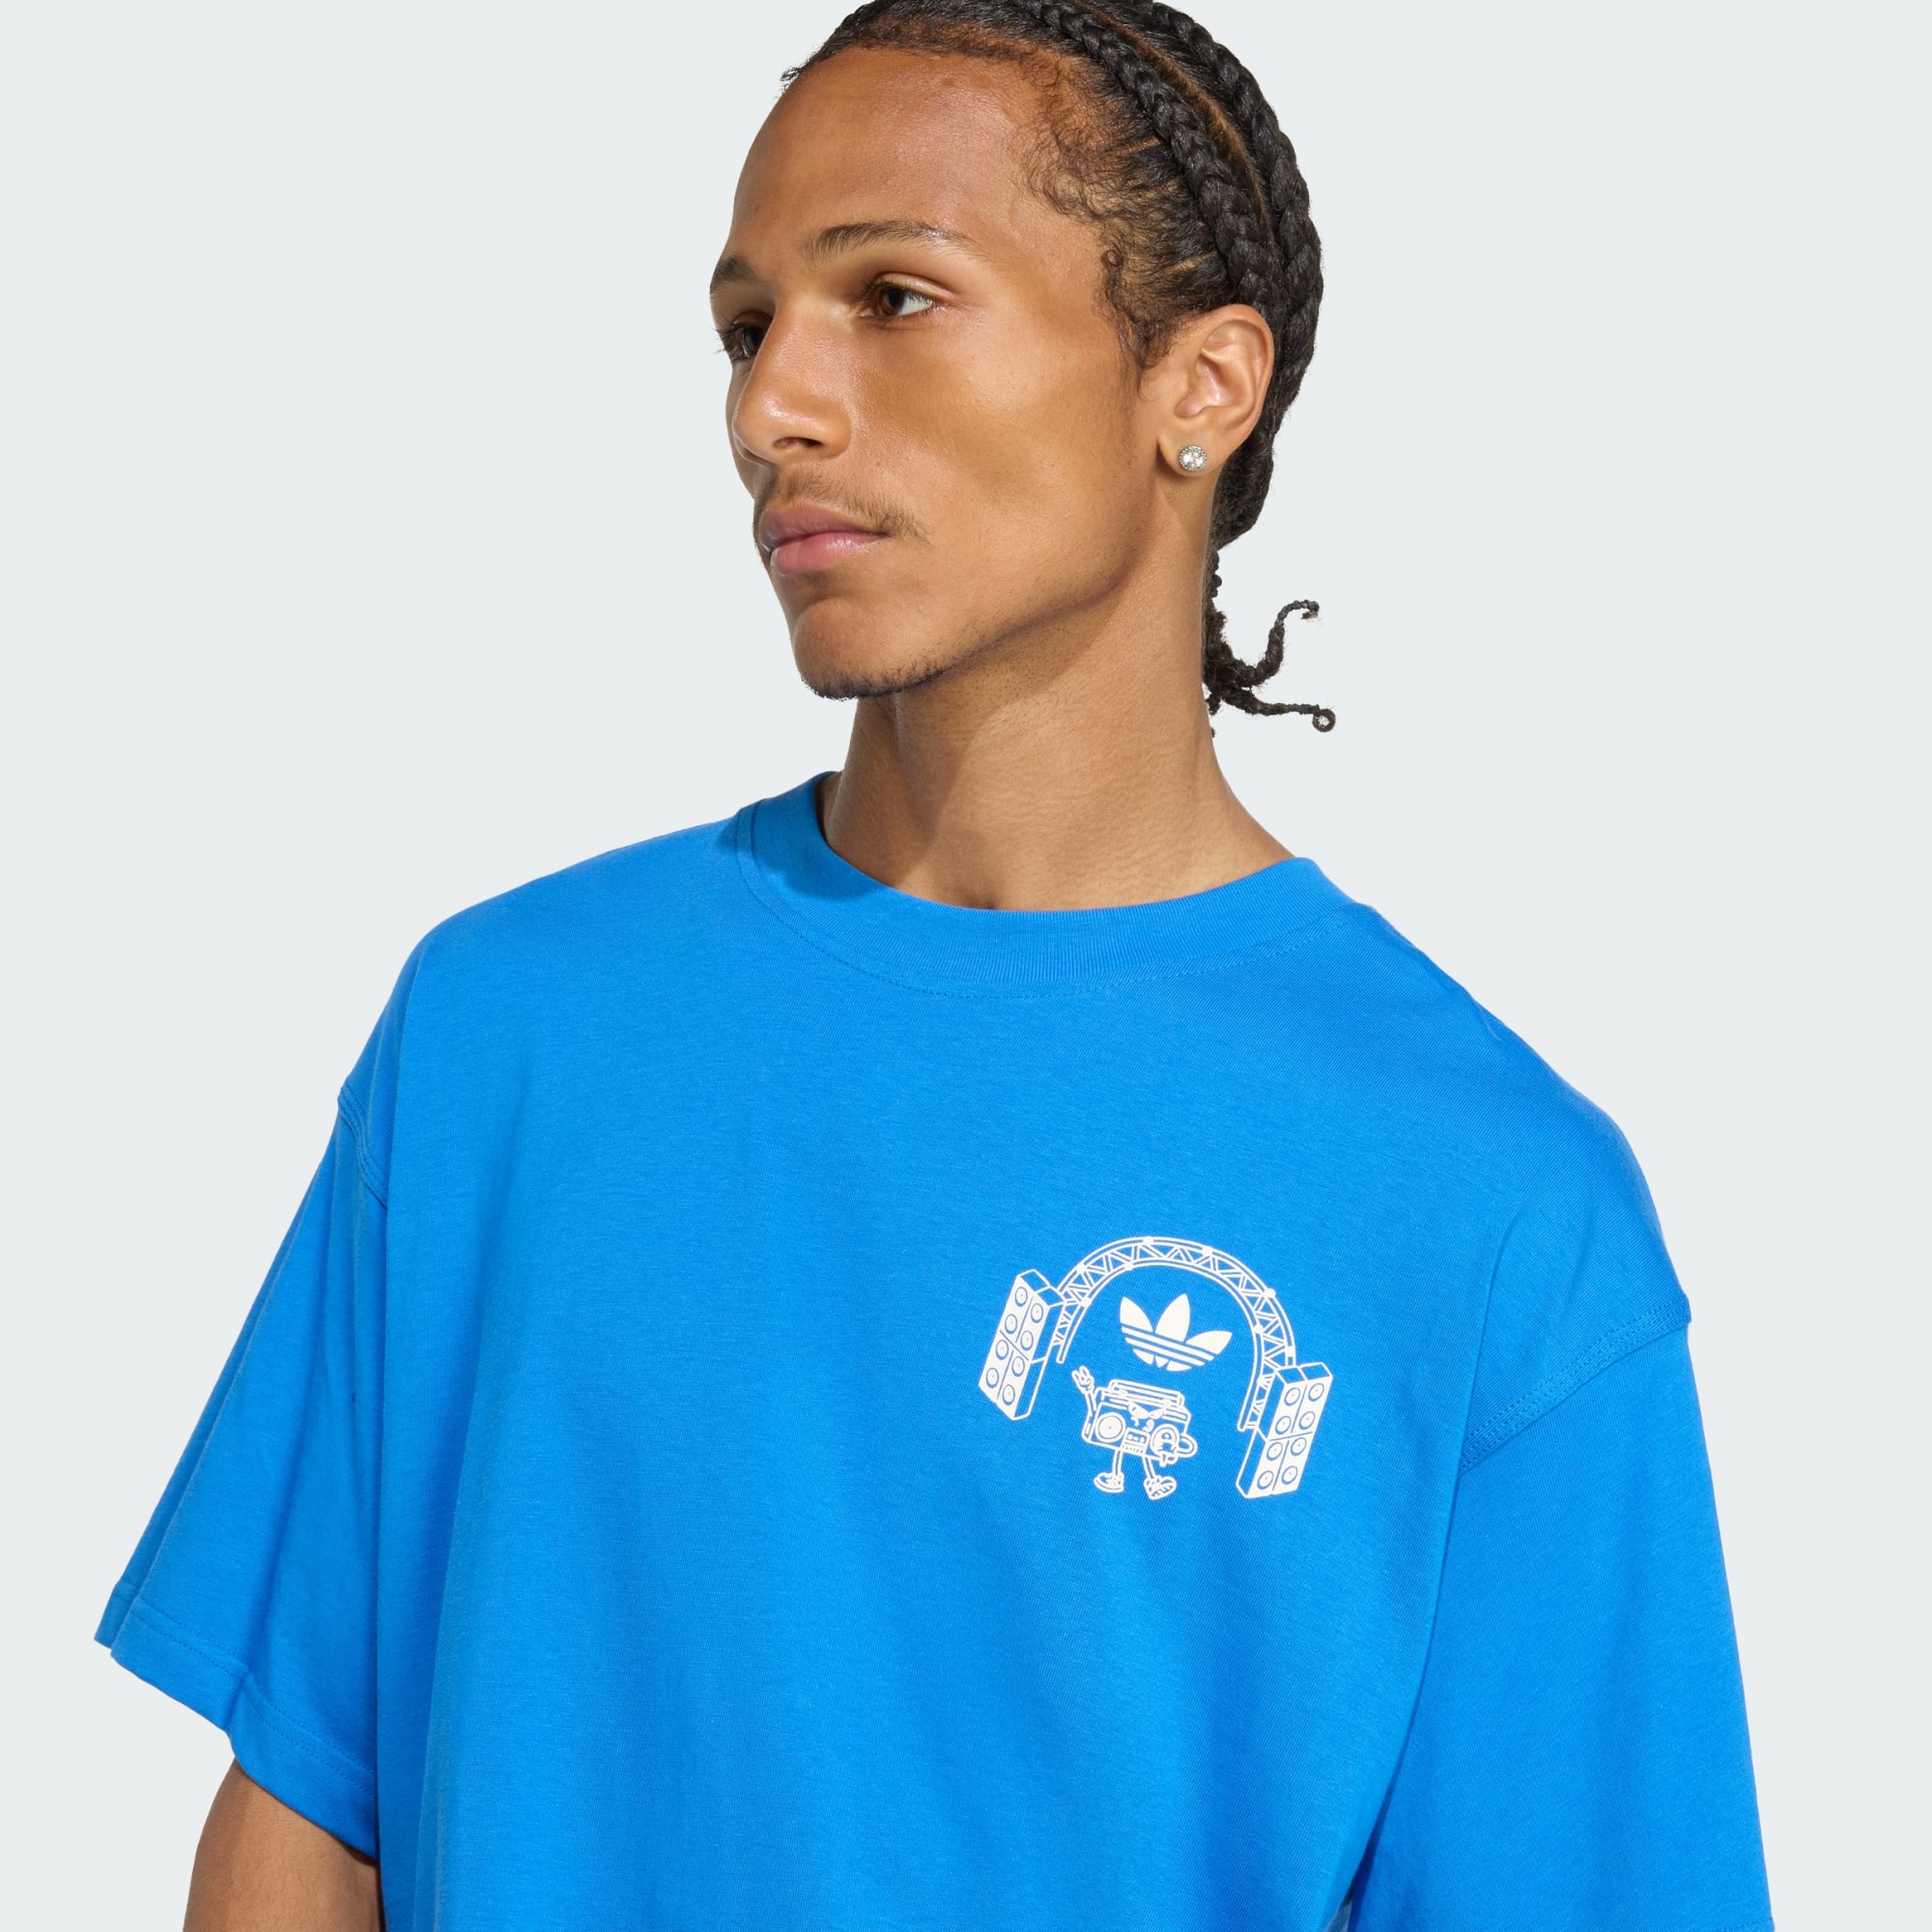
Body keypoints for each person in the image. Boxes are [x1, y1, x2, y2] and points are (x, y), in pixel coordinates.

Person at [99, 5, 1775, 1929]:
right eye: (746, 327)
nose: (774, 409)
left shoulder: (1489, 1204)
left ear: (1200, 384)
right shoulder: (505, 1035)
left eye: (893, 297)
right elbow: (312, 1812)